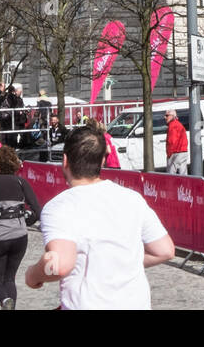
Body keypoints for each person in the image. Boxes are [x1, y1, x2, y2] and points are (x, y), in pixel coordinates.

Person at [25, 126, 174, 309]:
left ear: (65, 160)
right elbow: (165, 250)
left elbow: (58, 264)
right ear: (102, 161)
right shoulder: (132, 198)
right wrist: (117, 260)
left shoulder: (59, 207)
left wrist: (32, 275)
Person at [0, 145, 42, 309]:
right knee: (10, 278)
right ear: (14, 164)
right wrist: (26, 222)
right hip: (19, 237)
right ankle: (10, 304)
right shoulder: (21, 182)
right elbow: (37, 211)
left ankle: (4, 301)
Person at [165, 109, 188, 175]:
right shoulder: (178, 124)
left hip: (176, 152)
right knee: (183, 173)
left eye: (167, 115)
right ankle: (185, 184)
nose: (165, 117)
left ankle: (171, 184)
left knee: (171, 172)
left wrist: (169, 154)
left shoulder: (172, 125)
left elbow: (172, 141)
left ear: (172, 116)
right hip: (183, 151)